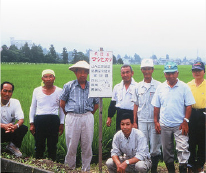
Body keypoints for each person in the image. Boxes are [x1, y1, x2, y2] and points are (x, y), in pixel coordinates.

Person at [151, 62, 196, 173]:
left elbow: (189, 106)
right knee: (167, 152)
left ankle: (182, 170)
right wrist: (156, 121)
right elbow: (156, 106)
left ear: (177, 73)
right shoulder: (161, 88)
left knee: (183, 148)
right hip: (165, 125)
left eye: (173, 73)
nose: (170, 76)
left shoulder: (184, 87)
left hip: (180, 125)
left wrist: (185, 121)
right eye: (168, 73)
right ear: (164, 74)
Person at [60, 60, 99, 172]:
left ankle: (86, 169)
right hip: (72, 117)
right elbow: (62, 103)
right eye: (80, 72)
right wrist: (69, 114)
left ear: (88, 73)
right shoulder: (68, 86)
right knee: (71, 145)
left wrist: (89, 114)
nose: (83, 74)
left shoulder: (92, 86)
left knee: (87, 145)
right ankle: (69, 168)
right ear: (75, 73)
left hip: (87, 117)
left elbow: (96, 104)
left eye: (85, 72)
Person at [29, 69, 65, 161]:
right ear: (42, 79)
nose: (48, 79)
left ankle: (52, 165)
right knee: (39, 144)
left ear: (54, 78)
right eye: (46, 77)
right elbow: (33, 107)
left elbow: (61, 108)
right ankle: (38, 165)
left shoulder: (60, 91)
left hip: (53, 120)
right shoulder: (36, 91)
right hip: (40, 120)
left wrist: (61, 123)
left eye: (50, 76)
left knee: (52, 145)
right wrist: (31, 123)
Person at [133, 59, 161, 173]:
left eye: (149, 68)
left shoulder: (159, 86)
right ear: (141, 70)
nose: (147, 71)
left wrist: (158, 121)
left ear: (153, 70)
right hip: (142, 121)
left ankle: (154, 169)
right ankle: (145, 168)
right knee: (143, 146)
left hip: (155, 121)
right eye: (144, 69)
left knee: (155, 147)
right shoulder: (138, 86)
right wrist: (134, 121)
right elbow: (135, 105)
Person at [106, 64, 138, 131]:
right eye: (123, 73)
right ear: (121, 74)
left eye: (127, 72)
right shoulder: (117, 87)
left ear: (132, 73)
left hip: (133, 115)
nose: (125, 75)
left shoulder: (137, 87)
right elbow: (113, 103)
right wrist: (109, 117)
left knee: (133, 138)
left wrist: (135, 122)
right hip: (120, 114)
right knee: (120, 136)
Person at [187, 61, 205, 173]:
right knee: (190, 141)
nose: (197, 72)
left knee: (203, 142)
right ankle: (191, 165)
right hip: (191, 114)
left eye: (199, 70)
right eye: (194, 70)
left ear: (204, 71)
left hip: (204, 114)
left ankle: (200, 166)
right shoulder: (188, 85)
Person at [1, 81, 28, 157]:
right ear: (0, 91)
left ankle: (12, 146)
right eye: (5, 91)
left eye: (10, 91)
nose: (7, 94)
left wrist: (15, 126)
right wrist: (3, 126)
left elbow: (21, 119)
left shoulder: (15, 102)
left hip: (10, 129)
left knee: (23, 128)